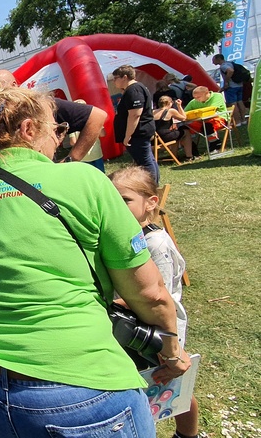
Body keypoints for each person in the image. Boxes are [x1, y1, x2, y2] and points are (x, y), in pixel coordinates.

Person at [0, 81, 190, 438]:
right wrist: (172, 350)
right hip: (83, 381)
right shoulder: (86, 180)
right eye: (57, 129)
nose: (60, 139)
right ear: (28, 129)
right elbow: (150, 293)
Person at [110, 166, 199, 438]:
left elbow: (157, 295)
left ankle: (188, 434)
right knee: (144, 381)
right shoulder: (123, 236)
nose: (117, 205)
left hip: (160, 331)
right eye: (111, 199)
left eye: (125, 199)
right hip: (133, 326)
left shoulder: (156, 243)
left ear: (151, 202)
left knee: (175, 387)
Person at [112, 64, 159, 184]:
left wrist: (128, 135)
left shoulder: (134, 90)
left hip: (138, 132)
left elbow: (135, 114)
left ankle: (152, 185)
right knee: (147, 159)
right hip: (139, 131)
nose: (114, 81)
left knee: (145, 161)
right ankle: (154, 184)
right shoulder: (133, 89)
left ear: (125, 77)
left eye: (115, 78)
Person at [183, 86, 227, 152]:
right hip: (202, 121)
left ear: (206, 93)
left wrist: (197, 113)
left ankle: (215, 145)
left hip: (219, 119)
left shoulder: (217, 96)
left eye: (198, 97)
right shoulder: (194, 101)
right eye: (194, 97)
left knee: (207, 125)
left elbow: (212, 109)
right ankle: (191, 151)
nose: (196, 99)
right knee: (183, 129)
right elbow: (184, 112)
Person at [153, 96, 198, 160]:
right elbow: (184, 118)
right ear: (170, 103)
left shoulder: (153, 112)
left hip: (154, 138)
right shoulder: (170, 111)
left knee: (175, 133)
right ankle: (189, 156)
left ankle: (174, 156)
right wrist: (179, 106)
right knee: (185, 131)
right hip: (164, 137)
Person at [212, 54, 247, 126]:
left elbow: (230, 71)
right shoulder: (230, 63)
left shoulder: (223, 66)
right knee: (240, 102)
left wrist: (226, 82)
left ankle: (237, 122)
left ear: (218, 59)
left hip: (231, 87)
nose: (213, 62)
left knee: (233, 104)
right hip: (239, 85)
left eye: (213, 60)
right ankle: (243, 120)